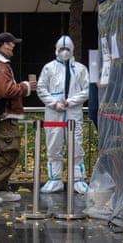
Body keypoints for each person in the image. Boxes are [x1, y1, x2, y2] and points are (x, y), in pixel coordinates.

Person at [0, 32, 37, 203]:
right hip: (5, 116)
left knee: (0, 153)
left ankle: (2, 189)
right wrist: (25, 87)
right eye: (12, 43)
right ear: (4, 44)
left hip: (0, 116)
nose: (14, 46)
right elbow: (7, 91)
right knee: (11, 152)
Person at [37, 35, 90, 194]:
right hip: (54, 114)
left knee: (76, 145)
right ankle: (55, 179)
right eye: (61, 49)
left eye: (67, 49)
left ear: (72, 50)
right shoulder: (49, 68)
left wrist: (70, 102)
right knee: (53, 145)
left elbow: (86, 91)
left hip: (73, 113)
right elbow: (41, 88)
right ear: (56, 50)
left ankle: (78, 179)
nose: (64, 52)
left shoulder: (80, 69)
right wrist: (54, 103)